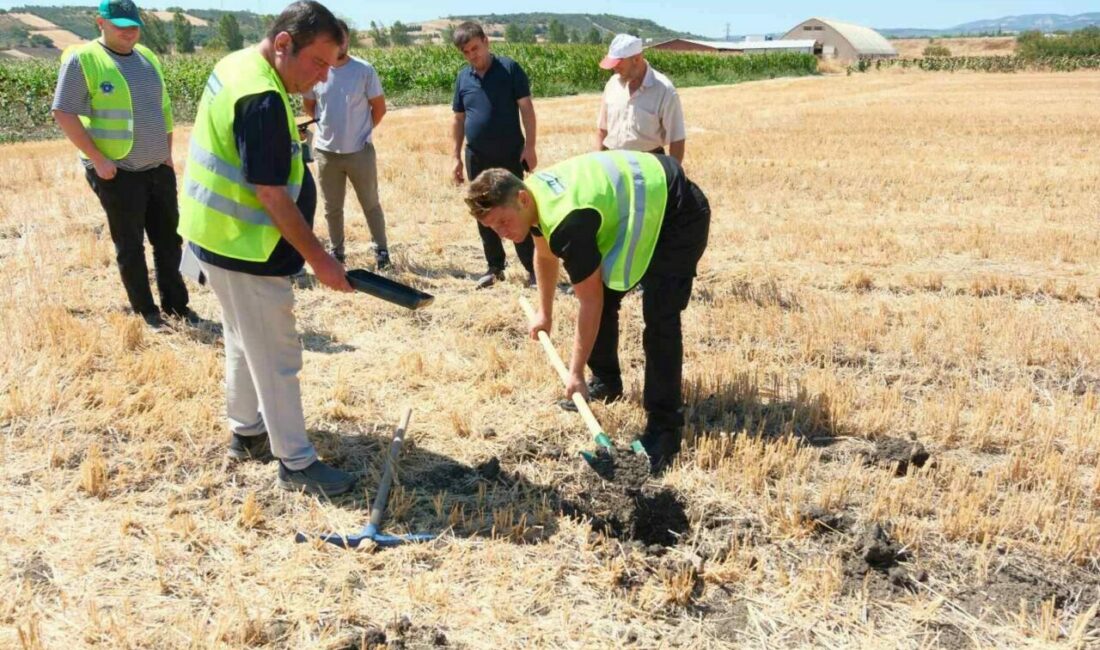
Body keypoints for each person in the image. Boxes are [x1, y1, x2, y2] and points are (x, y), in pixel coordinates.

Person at [177, 0, 356, 497]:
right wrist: (321, 259)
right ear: (283, 44)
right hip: (247, 247)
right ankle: (296, 463)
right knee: (277, 356)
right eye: (318, 62)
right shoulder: (260, 98)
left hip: (214, 236)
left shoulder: (237, 65)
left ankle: (248, 430)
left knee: (242, 337)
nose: (322, 77)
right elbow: (272, 194)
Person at [465, 151, 710, 473]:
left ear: (521, 199)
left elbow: (589, 301)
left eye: (502, 222)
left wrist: (575, 372)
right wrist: (544, 313)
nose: (502, 233)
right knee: (604, 293)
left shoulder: (568, 221)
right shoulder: (534, 197)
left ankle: (665, 429)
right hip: (646, 197)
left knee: (660, 317)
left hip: (679, 212)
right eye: (492, 227)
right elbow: (544, 254)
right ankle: (607, 380)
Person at [51, 0, 193, 330]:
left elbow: (164, 108)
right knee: (130, 246)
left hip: (157, 167)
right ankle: (147, 312)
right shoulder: (83, 59)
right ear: (100, 23)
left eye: (133, 26)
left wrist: (167, 153)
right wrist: (98, 159)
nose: (129, 32)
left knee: (169, 241)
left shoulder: (148, 57)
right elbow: (63, 112)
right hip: (117, 171)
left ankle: (177, 307)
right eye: (120, 26)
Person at [450, 21, 539, 288]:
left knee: (517, 208)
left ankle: (533, 268)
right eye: (466, 52)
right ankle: (495, 267)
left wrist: (530, 146)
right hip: (476, 157)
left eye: (475, 48)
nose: (472, 55)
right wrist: (455, 156)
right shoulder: (463, 78)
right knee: (481, 209)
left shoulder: (509, 69)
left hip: (509, 156)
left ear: (486, 42)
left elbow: (527, 109)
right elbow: (458, 119)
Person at [303, 19, 392, 270]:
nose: (338, 44)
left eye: (341, 38)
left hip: (359, 152)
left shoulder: (364, 70)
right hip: (326, 153)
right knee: (332, 208)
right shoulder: (317, 72)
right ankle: (337, 253)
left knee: (371, 203)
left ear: (348, 39)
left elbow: (379, 108)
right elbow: (309, 105)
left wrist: (361, 132)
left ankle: (381, 251)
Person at [596, 34, 687, 163]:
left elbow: (677, 139)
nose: (615, 69)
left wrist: (674, 172)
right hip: (613, 162)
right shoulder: (612, 84)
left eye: (619, 65)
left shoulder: (665, 90)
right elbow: (602, 130)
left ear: (636, 59)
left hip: (648, 165)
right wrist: (597, 164)